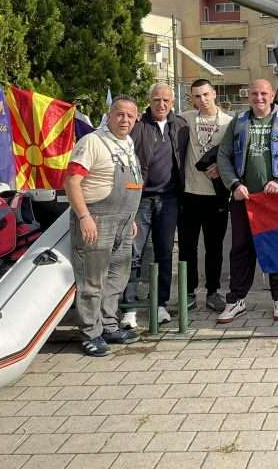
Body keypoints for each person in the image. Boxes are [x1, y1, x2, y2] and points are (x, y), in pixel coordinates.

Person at [216, 79, 278, 323]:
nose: (259, 98)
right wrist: (234, 184)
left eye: (264, 93)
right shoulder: (239, 122)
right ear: (248, 96)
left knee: (277, 247)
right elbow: (223, 156)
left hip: (276, 199)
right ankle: (236, 299)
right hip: (244, 199)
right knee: (241, 249)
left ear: (272, 95)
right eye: (254, 93)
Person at [63, 96, 143, 356]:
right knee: (92, 279)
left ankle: (109, 325)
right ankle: (90, 332)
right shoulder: (92, 142)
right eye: (119, 114)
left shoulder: (128, 144)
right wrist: (84, 216)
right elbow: (72, 181)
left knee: (117, 277)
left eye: (130, 116)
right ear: (109, 115)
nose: (125, 120)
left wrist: (130, 218)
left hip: (124, 222)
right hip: (97, 220)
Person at [121, 83, 189, 328]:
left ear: (172, 102)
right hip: (140, 200)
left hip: (169, 199)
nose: (161, 104)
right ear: (149, 101)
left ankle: (160, 305)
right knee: (133, 253)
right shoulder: (138, 126)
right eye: (156, 99)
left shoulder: (180, 125)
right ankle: (129, 308)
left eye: (166, 100)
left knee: (164, 253)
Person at [179, 79, 233, 313]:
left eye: (205, 95)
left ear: (214, 94)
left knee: (214, 247)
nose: (202, 100)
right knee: (187, 247)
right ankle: (188, 292)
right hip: (189, 194)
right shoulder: (185, 119)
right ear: (192, 98)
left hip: (216, 196)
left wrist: (222, 168)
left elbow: (237, 154)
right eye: (197, 96)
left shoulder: (229, 123)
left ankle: (213, 291)